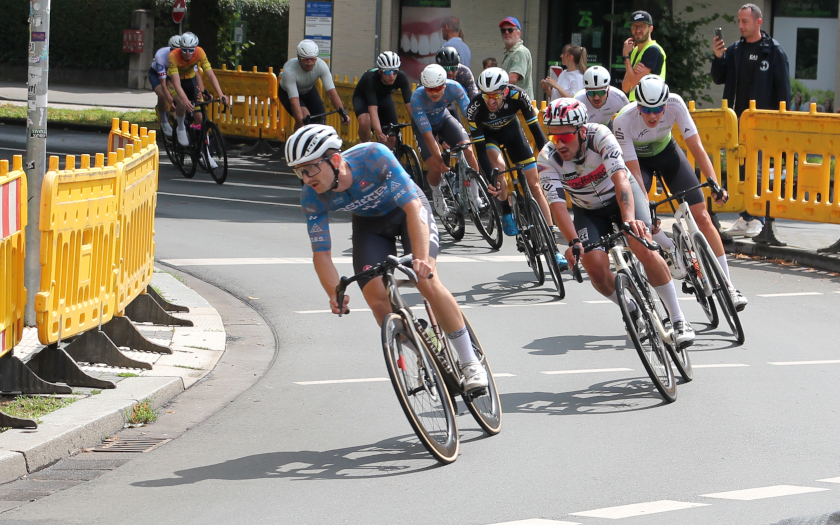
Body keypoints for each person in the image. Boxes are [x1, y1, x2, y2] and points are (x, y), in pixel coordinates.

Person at [288, 124, 488, 391]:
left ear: (335, 160)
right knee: (376, 300)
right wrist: (334, 292)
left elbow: (413, 207)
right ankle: (424, 353)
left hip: (408, 212)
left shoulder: (373, 156)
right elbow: (321, 253)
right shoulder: (311, 197)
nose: (305, 178)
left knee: (426, 280)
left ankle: (470, 361)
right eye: (298, 171)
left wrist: (420, 259)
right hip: (370, 226)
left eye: (309, 168)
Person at [538, 98, 695, 346]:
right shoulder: (548, 159)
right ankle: (630, 306)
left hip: (621, 197)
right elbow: (557, 204)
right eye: (553, 138)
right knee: (595, 270)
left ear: (581, 131)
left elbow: (622, 179)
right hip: (588, 209)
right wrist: (573, 241)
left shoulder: (600, 136)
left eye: (565, 138)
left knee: (642, 244)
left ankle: (678, 319)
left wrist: (630, 219)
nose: (559, 144)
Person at [612, 75, 748, 311]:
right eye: (646, 109)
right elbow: (632, 169)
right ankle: (668, 246)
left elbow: (696, 146)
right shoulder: (624, 120)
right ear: (638, 105)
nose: (653, 115)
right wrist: (647, 207)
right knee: (645, 219)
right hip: (638, 162)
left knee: (703, 217)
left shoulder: (675, 103)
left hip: (667, 153)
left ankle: (728, 286)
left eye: (658, 109)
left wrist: (714, 183)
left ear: (666, 104)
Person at [467, 68, 567, 268]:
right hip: (490, 138)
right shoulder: (475, 108)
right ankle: (505, 209)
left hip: (513, 133)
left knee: (535, 185)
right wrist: (490, 180)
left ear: (504, 91)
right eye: (486, 95)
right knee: (499, 166)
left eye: (495, 95)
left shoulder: (518, 95)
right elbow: (479, 149)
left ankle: (553, 246)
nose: (491, 101)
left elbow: (536, 131)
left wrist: (549, 158)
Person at [711, 3, 790, 237]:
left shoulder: (773, 51)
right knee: (740, 170)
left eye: (745, 21)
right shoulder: (735, 50)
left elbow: (783, 92)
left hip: (762, 124)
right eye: (739, 21)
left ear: (758, 22)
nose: (740, 26)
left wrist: (779, 123)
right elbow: (718, 78)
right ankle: (745, 217)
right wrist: (718, 57)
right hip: (737, 121)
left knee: (758, 170)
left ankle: (759, 217)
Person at [409, 64, 481, 219]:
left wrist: (479, 134)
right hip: (424, 128)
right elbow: (428, 136)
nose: (434, 93)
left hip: (444, 118)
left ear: (445, 84)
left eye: (438, 88)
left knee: (468, 150)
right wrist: (441, 161)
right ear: (424, 87)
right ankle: (437, 196)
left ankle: (475, 196)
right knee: (435, 167)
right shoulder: (417, 98)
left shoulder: (454, 88)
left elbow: (469, 115)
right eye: (430, 89)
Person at [167, 32, 228, 148]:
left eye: (191, 50)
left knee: (199, 116)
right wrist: (185, 101)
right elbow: (176, 84)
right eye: (184, 50)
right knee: (181, 102)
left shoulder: (200, 52)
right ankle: (180, 127)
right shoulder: (173, 56)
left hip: (190, 79)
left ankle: (205, 152)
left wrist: (220, 94)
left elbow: (210, 75)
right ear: (180, 48)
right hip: (175, 81)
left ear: (195, 48)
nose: (188, 53)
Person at [279, 39, 351, 130]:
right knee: (305, 120)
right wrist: (302, 124)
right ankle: (297, 142)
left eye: (312, 59)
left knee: (321, 121)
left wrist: (343, 114)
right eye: (306, 59)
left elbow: (332, 93)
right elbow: (294, 102)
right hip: (288, 94)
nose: (310, 63)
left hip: (308, 90)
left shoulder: (321, 65)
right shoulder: (289, 72)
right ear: (298, 58)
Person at [352, 51, 412, 147]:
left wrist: (417, 125)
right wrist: (379, 133)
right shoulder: (370, 79)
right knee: (365, 121)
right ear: (380, 71)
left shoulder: (401, 77)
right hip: (364, 98)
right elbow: (373, 109)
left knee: (391, 137)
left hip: (384, 97)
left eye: (395, 71)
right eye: (388, 72)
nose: (392, 76)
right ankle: (365, 147)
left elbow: (409, 105)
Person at [621, 11, 666, 102]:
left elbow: (633, 82)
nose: (637, 30)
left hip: (651, 105)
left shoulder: (653, 50)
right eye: (634, 26)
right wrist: (633, 72)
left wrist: (626, 56)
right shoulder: (634, 51)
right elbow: (625, 87)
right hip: (636, 104)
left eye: (642, 26)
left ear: (651, 29)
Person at [574, 65, 629, 130]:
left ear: (608, 90)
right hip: (586, 128)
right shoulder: (577, 101)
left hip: (609, 126)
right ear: (586, 91)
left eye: (601, 92)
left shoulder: (619, 97)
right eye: (591, 93)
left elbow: (631, 119)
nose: (596, 98)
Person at [435, 46, 479, 116]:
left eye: (453, 69)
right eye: (446, 69)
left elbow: (474, 96)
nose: (450, 72)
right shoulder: (432, 73)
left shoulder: (464, 72)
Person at [499, 17, 534, 99]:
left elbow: (512, 78)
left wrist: (491, 88)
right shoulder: (511, 52)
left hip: (520, 106)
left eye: (510, 30)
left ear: (519, 33)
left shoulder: (520, 52)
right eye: (503, 30)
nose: (506, 32)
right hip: (514, 103)